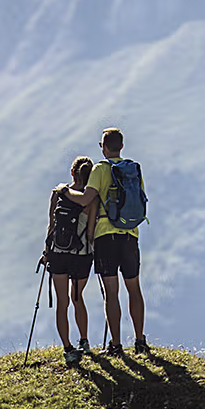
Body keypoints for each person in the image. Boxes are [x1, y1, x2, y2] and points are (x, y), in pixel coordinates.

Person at [82, 126, 147, 355]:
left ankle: (116, 345)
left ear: (104, 148)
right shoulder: (133, 169)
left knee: (111, 292)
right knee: (134, 289)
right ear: (121, 146)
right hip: (130, 235)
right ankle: (140, 341)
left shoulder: (100, 169)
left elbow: (87, 199)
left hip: (105, 235)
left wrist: (65, 192)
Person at [44, 155, 95, 367]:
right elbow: (90, 232)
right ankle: (84, 341)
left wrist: (46, 251)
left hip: (58, 253)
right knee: (77, 297)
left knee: (62, 302)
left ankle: (67, 348)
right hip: (81, 255)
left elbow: (51, 225)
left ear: (72, 173)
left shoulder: (58, 193)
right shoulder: (91, 198)